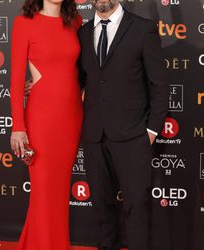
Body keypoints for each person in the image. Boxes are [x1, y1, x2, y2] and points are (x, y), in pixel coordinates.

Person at [77, 0, 170, 249]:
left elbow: (159, 85)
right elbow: (78, 81)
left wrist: (150, 131)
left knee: (136, 207)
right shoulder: (83, 33)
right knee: (101, 207)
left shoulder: (143, 28)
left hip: (133, 135)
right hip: (95, 135)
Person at [9, 0, 83, 249]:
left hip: (71, 117)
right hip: (41, 118)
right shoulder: (24, 23)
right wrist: (18, 126)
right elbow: (17, 79)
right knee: (42, 189)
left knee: (59, 192)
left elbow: (82, 71)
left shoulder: (75, 22)